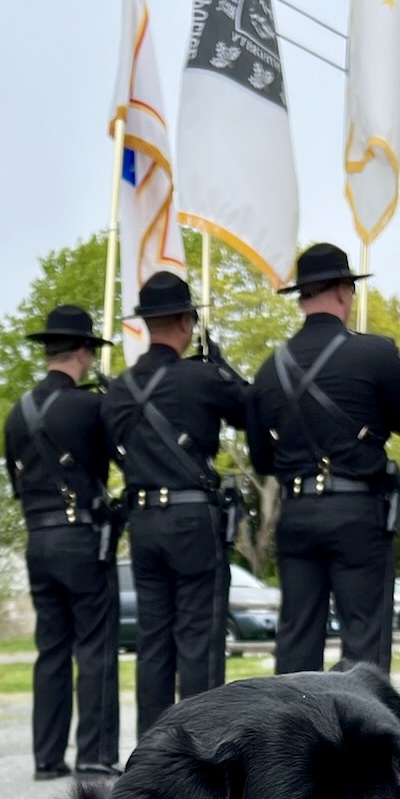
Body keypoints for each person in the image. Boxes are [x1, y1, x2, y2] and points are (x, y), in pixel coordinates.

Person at [247, 242, 400, 674]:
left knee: (296, 641)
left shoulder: (270, 368)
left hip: (298, 512)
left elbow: (261, 461)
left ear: (303, 299)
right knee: (364, 642)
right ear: (344, 292)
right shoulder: (375, 353)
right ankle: (361, 741)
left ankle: (290, 740)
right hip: (358, 511)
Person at [102, 271, 250, 738]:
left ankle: (152, 749)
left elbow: (112, 446)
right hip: (192, 520)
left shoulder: (119, 388)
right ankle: (203, 745)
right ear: (186, 321)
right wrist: (222, 368)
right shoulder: (201, 378)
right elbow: (251, 409)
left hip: (144, 521)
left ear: (146, 323)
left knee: (153, 643)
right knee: (200, 639)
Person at [3, 302, 121, 779]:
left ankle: (47, 757)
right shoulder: (90, 407)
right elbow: (108, 465)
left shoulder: (17, 414)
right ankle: (94, 753)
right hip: (80, 538)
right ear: (83, 352)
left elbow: (15, 485)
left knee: (51, 649)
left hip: (37, 539)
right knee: (94, 646)